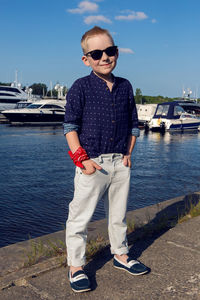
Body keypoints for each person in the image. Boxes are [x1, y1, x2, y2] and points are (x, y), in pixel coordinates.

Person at [63, 26, 149, 293]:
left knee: (118, 215)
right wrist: (82, 160)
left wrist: (128, 154)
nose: (104, 57)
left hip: (120, 163)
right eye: (96, 53)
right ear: (86, 58)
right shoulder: (81, 87)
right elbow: (70, 127)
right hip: (92, 164)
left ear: (117, 52)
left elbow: (134, 125)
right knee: (80, 218)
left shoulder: (125, 87)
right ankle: (76, 266)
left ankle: (120, 254)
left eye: (109, 51)